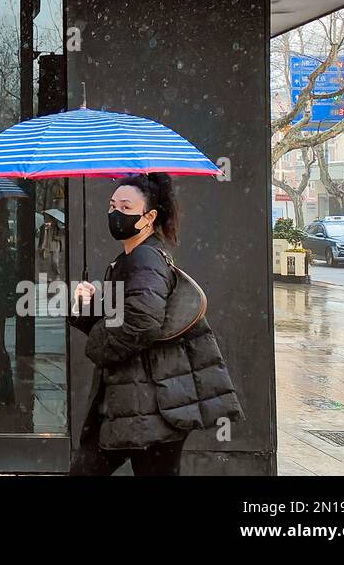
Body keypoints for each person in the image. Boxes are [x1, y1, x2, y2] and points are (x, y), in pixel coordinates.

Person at [67, 172, 243, 475]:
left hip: (150, 402)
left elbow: (143, 323)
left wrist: (97, 343)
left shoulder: (144, 259)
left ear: (148, 216)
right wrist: (90, 306)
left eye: (125, 207)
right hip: (136, 400)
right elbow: (127, 318)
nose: (115, 213)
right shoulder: (132, 258)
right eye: (112, 205)